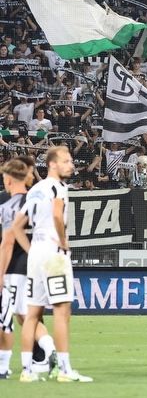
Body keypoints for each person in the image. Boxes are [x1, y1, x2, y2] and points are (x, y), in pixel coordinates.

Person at [11, 145, 92, 382]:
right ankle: (65, 370)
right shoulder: (59, 187)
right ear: (53, 164)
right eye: (66, 161)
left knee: (32, 313)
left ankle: (27, 371)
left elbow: (17, 227)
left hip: (36, 253)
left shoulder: (35, 189)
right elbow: (58, 214)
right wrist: (63, 242)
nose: (71, 165)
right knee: (61, 311)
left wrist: (31, 249)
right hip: (54, 254)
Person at [0, 157, 56, 380]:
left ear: (10, 178)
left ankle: (3, 367)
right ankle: (49, 348)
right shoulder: (39, 200)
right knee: (24, 315)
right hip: (38, 262)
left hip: (15, 265)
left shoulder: (10, 203)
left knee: (6, 318)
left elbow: (8, 242)